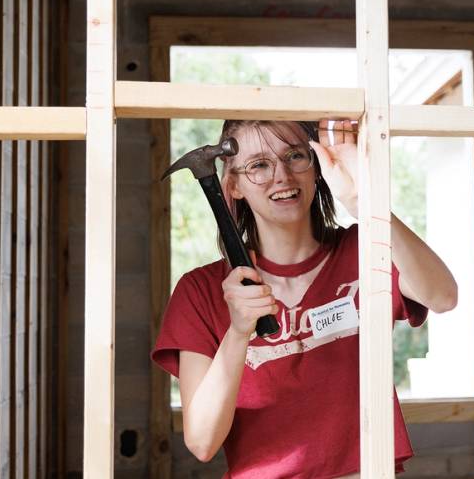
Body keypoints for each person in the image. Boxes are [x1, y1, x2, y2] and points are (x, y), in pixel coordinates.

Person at [152, 118, 458, 478]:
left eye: (294, 156)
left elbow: (443, 296)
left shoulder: (364, 249)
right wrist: (237, 333)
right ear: (232, 186)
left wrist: (367, 204)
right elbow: (202, 442)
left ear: (316, 168)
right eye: (259, 165)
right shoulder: (200, 291)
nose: (281, 175)